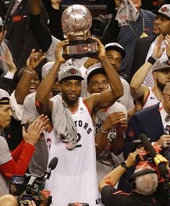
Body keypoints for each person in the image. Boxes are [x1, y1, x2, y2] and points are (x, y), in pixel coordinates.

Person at [35, 39, 123, 205]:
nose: (73, 89)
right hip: (59, 180)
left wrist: (103, 59)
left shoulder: (89, 104)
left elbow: (118, 92)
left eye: (77, 84)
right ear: (60, 86)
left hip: (85, 179)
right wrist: (58, 63)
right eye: (68, 84)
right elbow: (39, 101)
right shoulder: (54, 106)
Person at [0, 88, 48, 196]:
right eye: (6, 110)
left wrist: (24, 142)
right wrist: (30, 144)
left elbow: (5, 160)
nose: (11, 114)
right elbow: (16, 177)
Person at [122, 80, 170, 191]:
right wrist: (155, 144)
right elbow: (128, 152)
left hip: (169, 188)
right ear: (168, 98)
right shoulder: (141, 118)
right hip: (142, 186)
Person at [101, 0, 155, 81]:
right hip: (124, 76)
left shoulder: (151, 17)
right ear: (123, 0)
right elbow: (106, 46)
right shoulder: (117, 22)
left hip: (149, 75)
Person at [130, 34, 170, 109]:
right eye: (165, 72)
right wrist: (153, 57)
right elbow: (134, 86)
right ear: (154, 75)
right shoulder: (146, 92)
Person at [130, 3, 170, 86]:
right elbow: (133, 72)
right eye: (156, 18)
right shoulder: (142, 43)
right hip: (141, 94)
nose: (157, 22)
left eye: (163, 20)